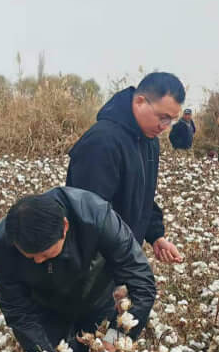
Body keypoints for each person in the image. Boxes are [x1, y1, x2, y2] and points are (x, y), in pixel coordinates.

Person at [0, 187, 156, 352]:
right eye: (30, 257)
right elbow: (17, 309)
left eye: (45, 254)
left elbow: (142, 284)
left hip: (96, 297)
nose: (38, 261)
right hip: (43, 308)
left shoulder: (96, 217)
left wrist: (114, 340)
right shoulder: (2, 242)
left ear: (65, 227)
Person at [66, 72, 184, 264]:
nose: (165, 126)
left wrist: (156, 235)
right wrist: (125, 267)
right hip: (95, 265)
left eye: (171, 120)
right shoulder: (102, 142)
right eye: (163, 117)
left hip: (122, 258)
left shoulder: (149, 141)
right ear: (139, 102)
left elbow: (141, 197)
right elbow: (90, 217)